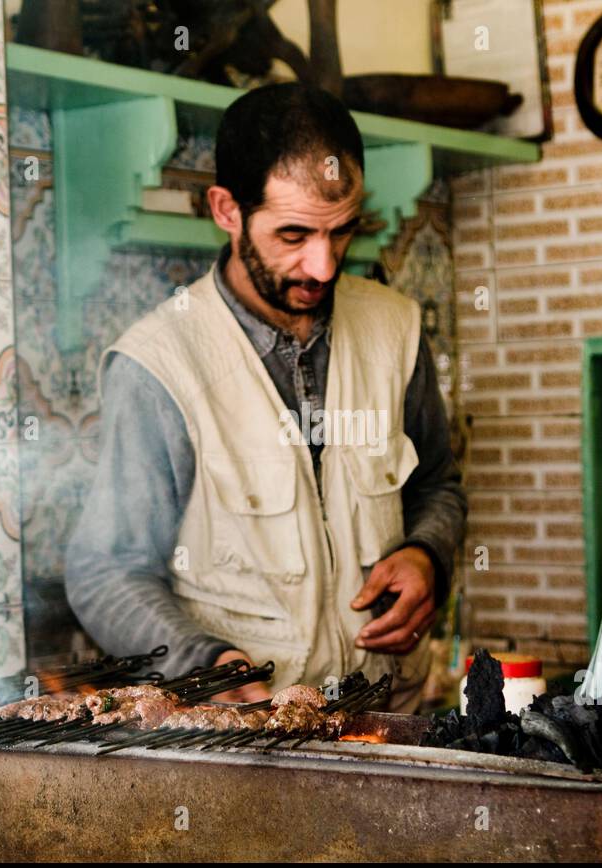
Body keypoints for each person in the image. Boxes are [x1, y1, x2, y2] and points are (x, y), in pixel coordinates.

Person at [64, 83, 467, 713]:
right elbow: (107, 572)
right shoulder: (157, 366)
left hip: (388, 720)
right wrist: (201, 661)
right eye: (294, 235)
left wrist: (427, 556)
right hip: (246, 739)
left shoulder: (396, 329)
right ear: (227, 210)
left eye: (342, 232)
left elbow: (438, 486)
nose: (324, 267)